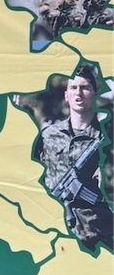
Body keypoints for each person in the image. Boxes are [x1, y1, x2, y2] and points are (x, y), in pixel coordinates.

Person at [34, 64, 113, 252]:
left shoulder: (107, 134)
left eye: (85, 87)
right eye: (73, 87)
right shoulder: (48, 135)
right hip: (54, 233)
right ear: (66, 95)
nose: (79, 93)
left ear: (94, 93)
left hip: (98, 235)